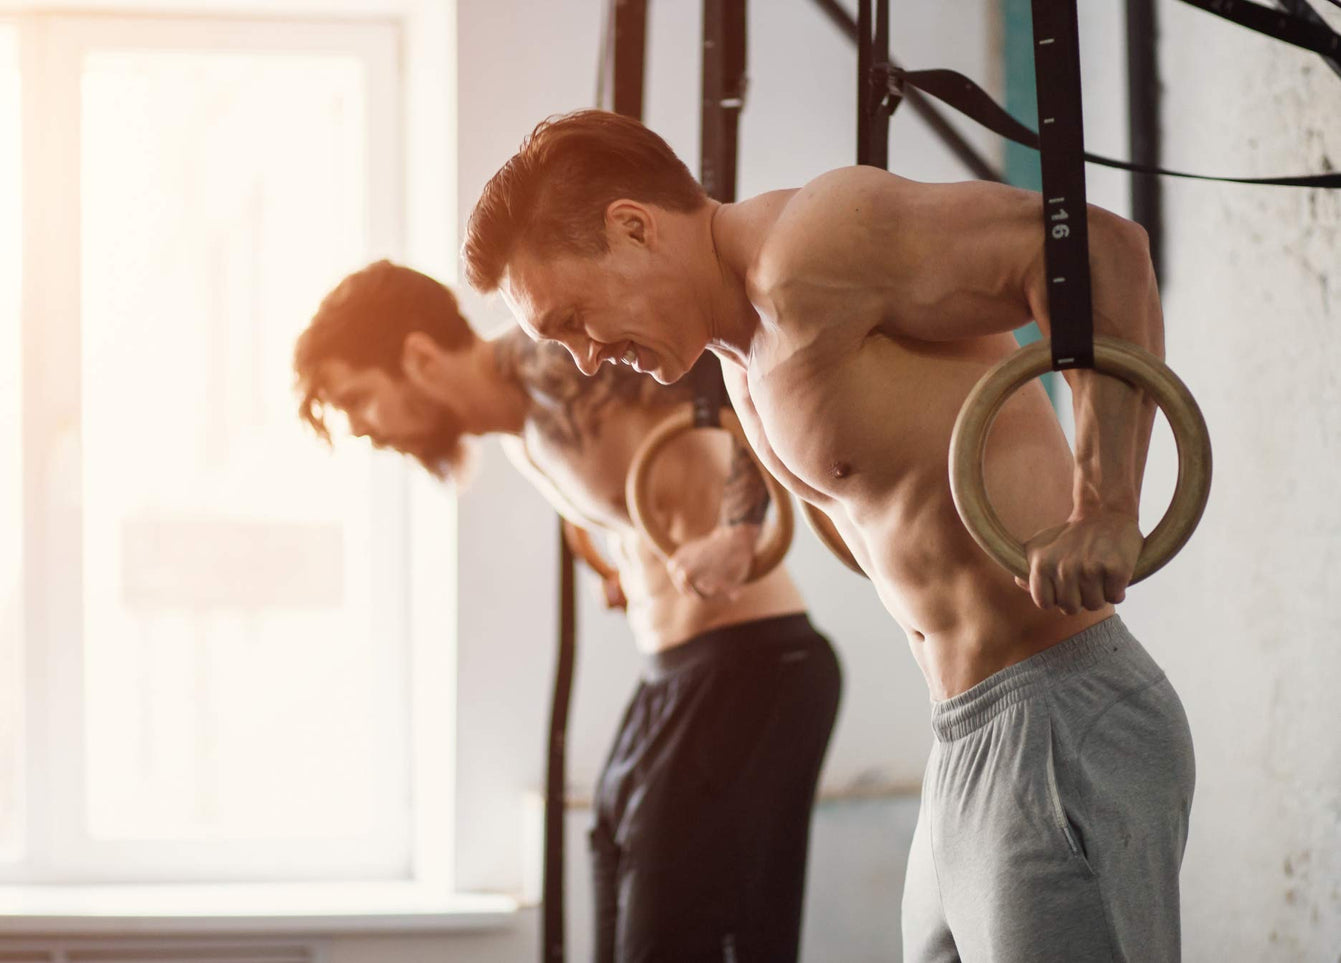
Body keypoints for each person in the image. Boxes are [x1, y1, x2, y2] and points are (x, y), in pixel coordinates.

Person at [464, 109, 1195, 963]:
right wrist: (742, 532)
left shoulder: (815, 243)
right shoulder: (738, 355)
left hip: (1060, 712)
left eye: (571, 320)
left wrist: (1105, 504)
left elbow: (1099, 251)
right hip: (965, 733)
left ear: (631, 227)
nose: (584, 360)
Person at [292, 260, 841, 963]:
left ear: (419, 358)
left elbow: (724, 372)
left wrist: (739, 531)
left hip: (754, 667)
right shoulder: (515, 425)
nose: (364, 429)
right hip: (674, 676)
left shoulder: (550, 358)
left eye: (359, 398)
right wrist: (617, 561)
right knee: (613, 872)